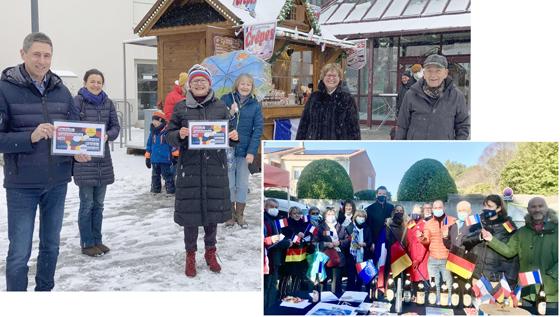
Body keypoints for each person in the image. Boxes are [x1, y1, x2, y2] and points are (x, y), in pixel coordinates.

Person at [0, 32, 90, 291]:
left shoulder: (60, 90)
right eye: (36, 54)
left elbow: (74, 131)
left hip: (57, 182)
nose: (42, 60)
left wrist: (78, 151)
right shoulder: (4, 89)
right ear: (23, 54)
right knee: (19, 251)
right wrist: (30, 136)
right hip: (22, 185)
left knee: (51, 246)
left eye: (47, 55)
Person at [165, 64, 239, 277]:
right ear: (190, 84)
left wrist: (234, 137)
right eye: (195, 80)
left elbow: (229, 133)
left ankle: (210, 252)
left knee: (212, 216)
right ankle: (190, 256)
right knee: (190, 216)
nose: (199, 84)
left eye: (203, 80)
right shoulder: (181, 108)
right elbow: (168, 135)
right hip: (190, 168)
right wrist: (179, 134)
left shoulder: (220, 106)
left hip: (215, 167)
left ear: (209, 84)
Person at [73, 69, 120, 257]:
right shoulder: (77, 102)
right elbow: (71, 127)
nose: (95, 84)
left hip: (103, 159)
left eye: (99, 82)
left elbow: (115, 126)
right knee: (87, 204)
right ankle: (87, 242)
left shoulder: (108, 103)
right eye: (92, 81)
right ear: (85, 82)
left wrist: (109, 135)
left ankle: (97, 240)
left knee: (99, 204)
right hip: (84, 160)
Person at [482, 197, 557, 307]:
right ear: (528, 209)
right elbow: (509, 251)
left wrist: (553, 274)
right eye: (533, 207)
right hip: (526, 292)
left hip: (550, 292)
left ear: (546, 208)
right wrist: (491, 239)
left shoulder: (556, 230)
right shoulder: (522, 232)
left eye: (540, 206)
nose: (537, 209)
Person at [221, 74, 264, 229]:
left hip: (245, 151)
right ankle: (230, 215)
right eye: (242, 84)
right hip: (227, 149)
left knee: (242, 183)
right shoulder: (226, 100)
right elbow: (217, 122)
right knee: (230, 184)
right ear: (237, 85)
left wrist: (252, 151)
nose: (245, 87)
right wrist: (230, 113)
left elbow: (258, 129)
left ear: (252, 87)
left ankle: (240, 215)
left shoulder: (255, 104)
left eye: (248, 84)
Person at [395, 54, 470, 140]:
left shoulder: (457, 96)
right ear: (424, 73)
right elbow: (402, 126)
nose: (433, 75)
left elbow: (462, 127)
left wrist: (456, 149)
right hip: (415, 150)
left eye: (438, 71)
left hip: (443, 151)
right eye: (429, 71)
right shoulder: (411, 94)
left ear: (445, 73)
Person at [462, 195, 519, 286]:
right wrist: (479, 236)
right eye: (485, 206)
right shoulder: (477, 222)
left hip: (496, 278)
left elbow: (510, 252)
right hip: (477, 276)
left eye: (490, 206)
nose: (486, 209)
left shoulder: (508, 226)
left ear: (498, 208)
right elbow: (465, 241)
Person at [295, 63, 361, 140]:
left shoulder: (347, 99)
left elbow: (354, 127)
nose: (331, 78)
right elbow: (304, 123)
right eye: (328, 75)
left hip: (339, 147)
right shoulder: (314, 97)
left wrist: (356, 146)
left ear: (340, 78)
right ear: (323, 78)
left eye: (334, 76)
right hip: (315, 145)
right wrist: (299, 143)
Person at [418, 200, 455, 305]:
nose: (437, 209)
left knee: (448, 284)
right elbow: (427, 241)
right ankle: (436, 303)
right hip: (433, 260)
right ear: (433, 209)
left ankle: (448, 304)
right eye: (435, 208)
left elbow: (456, 239)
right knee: (434, 284)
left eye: (440, 207)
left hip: (447, 259)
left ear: (444, 208)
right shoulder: (428, 224)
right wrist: (421, 238)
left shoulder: (452, 221)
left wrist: (447, 236)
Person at [263, 198, 291, 309]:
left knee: (273, 286)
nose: (274, 209)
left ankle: (270, 308)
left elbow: (280, 235)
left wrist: (286, 241)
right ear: (265, 207)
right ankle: (265, 309)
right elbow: (269, 241)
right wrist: (285, 243)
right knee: (267, 287)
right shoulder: (265, 220)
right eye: (271, 206)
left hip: (276, 259)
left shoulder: (276, 220)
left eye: (276, 207)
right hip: (268, 259)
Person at [278, 206, 310, 297]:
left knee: (297, 276)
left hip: (300, 254)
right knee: (285, 276)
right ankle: (282, 296)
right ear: (290, 214)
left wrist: (305, 236)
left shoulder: (304, 223)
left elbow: (308, 235)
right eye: (294, 213)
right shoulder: (285, 222)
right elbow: (283, 234)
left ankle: (295, 295)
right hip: (288, 254)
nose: (297, 215)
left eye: (299, 213)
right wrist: (297, 235)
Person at [145, 110, 177, 195]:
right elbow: (149, 145)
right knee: (155, 176)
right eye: (153, 120)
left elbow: (172, 144)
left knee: (167, 175)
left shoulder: (167, 132)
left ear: (161, 121)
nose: (154, 123)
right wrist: (148, 157)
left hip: (165, 159)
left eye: (156, 121)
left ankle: (170, 191)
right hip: (155, 159)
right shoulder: (152, 133)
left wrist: (175, 155)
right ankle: (155, 190)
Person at [319, 207, 348, 296]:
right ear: (324, 216)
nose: (331, 216)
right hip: (324, 258)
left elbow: (347, 240)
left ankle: (335, 298)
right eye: (328, 214)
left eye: (332, 214)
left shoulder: (341, 227)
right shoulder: (320, 227)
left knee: (336, 281)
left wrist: (339, 242)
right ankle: (322, 299)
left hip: (338, 258)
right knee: (322, 279)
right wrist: (326, 244)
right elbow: (314, 241)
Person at [345, 209, 373, 291]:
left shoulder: (367, 228)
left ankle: (365, 296)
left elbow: (370, 241)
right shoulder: (350, 227)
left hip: (364, 255)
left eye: (363, 216)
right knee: (351, 278)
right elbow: (346, 240)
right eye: (359, 216)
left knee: (363, 278)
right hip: (351, 256)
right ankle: (350, 296)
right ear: (355, 217)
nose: (361, 218)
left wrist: (364, 244)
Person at [405, 205, 429, 292]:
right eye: (414, 211)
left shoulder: (425, 224)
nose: (416, 214)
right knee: (412, 281)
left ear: (422, 213)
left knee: (421, 283)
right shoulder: (410, 224)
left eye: (418, 212)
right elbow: (408, 241)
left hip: (421, 259)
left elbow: (424, 244)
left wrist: (418, 259)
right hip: (411, 257)